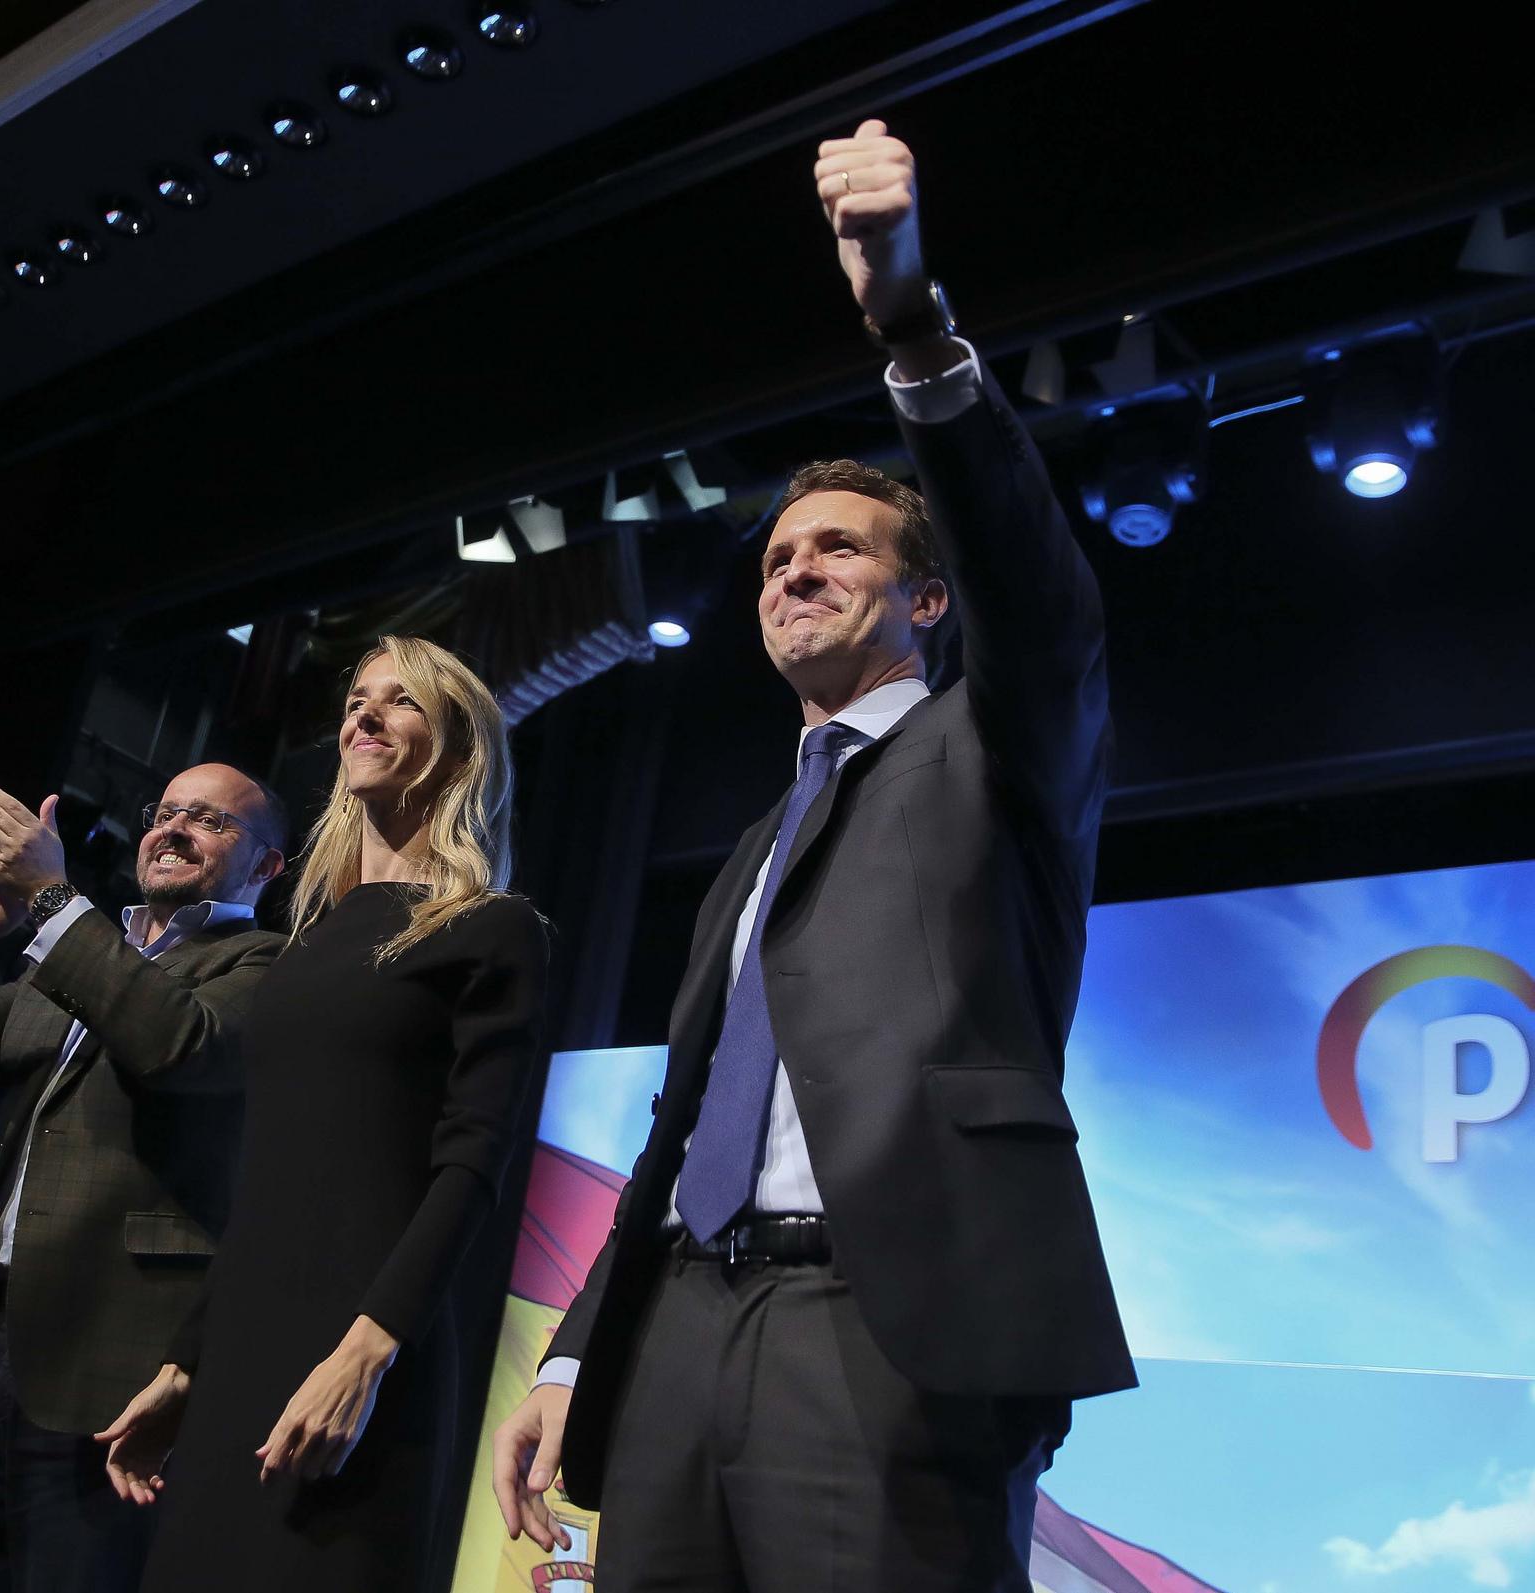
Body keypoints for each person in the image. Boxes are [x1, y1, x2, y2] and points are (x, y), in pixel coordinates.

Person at [491, 122, 1135, 1591]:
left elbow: (1043, 601)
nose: (796, 570)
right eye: (781, 558)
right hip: (678, 1343)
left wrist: (912, 329)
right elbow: (677, 1132)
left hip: (889, 1328)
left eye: (841, 550)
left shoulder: (1001, 747)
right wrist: (579, 1354)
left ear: (925, 606)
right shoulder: (750, 851)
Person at [98, 636, 549, 1593]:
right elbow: (272, 1177)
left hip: (366, 1356)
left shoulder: (491, 929)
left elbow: (472, 1164)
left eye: (401, 701)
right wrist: (188, 1362)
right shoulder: (306, 943)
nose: (365, 714)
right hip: (241, 1355)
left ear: (459, 748)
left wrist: (369, 1348)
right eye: (357, 698)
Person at [0, 762, 287, 1593]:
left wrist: (57, 902)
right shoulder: (84, 954)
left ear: (268, 866)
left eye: (208, 820)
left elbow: (179, 1044)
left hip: (114, 1355)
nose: (172, 829)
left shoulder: (268, 965)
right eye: (164, 812)